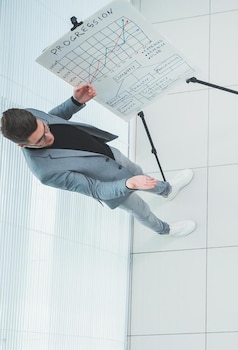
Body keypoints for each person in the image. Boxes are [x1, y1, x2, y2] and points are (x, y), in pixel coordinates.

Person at [1, 83, 196, 237]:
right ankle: (165, 230)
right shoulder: (46, 172)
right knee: (141, 209)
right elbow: (95, 189)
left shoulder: (30, 114)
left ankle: (167, 190)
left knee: (139, 172)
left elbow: (53, 118)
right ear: (22, 146)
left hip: (108, 154)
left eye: (44, 129)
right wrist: (128, 184)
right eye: (40, 140)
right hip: (111, 186)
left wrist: (75, 102)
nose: (49, 136)